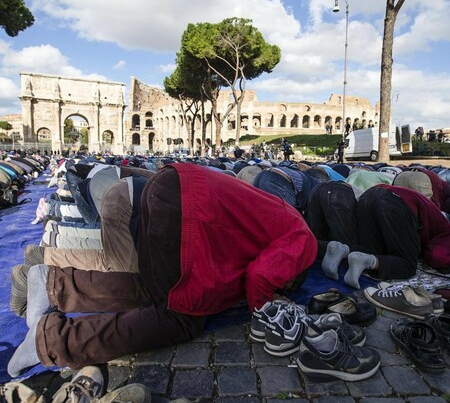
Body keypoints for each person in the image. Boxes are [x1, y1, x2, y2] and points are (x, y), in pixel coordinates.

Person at [8, 163, 317, 377]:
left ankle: (55, 282)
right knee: (181, 318)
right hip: (186, 208)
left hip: (167, 186)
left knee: (156, 290)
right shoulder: (305, 240)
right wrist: (263, 307)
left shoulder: (283, 213)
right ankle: (51, 342)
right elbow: (262, 276)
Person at [320, 184, 450, 289]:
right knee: (408, 265)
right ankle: (369, 262)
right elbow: (438, 255)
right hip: (394, 203)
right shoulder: (446, 229)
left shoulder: (437, 216)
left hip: (370, 195)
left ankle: (343, 250)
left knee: (371, 249)